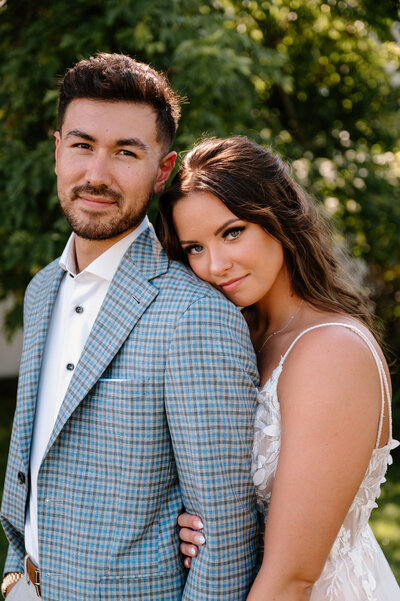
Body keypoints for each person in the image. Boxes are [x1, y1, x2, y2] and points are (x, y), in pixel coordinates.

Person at [0, 55, 261, 601]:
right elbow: (31, 462)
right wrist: (14, 576)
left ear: (161, 171)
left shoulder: (195, 314)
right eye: (81, 145)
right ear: (56, 151)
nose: (97, 174)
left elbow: (227, 538)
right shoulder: (42, 290)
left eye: (125, 152)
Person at [156, 135, 400, 601]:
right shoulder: (241, 338)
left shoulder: (331, 352)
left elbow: (294, 576)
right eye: (193, 248)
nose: (215, 265)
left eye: (232, 232)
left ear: (279, 218)